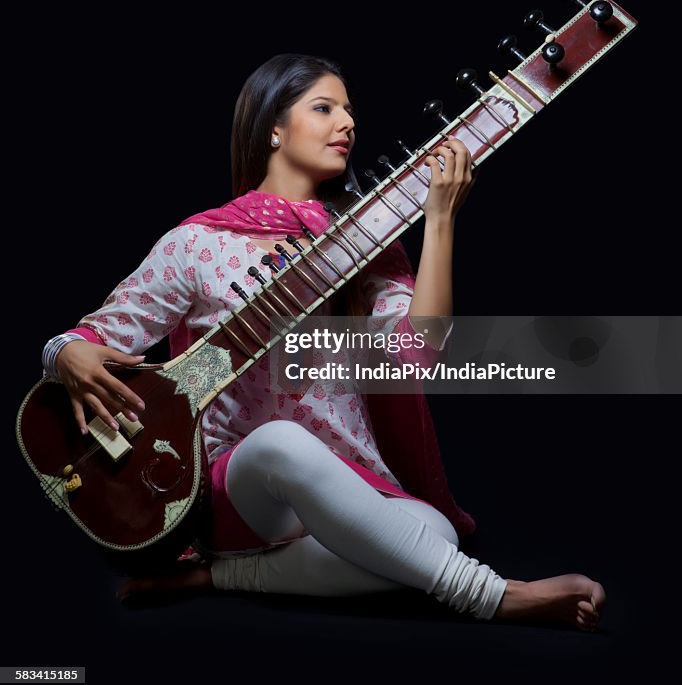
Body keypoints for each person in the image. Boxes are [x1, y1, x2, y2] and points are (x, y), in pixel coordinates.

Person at [42, 53, 605, 630]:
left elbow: (421, 353)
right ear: (274, 128)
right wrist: (63, 353)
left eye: (350, 111)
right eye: (324, 107)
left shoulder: (366, 244)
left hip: (346, 481)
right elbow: (92, 335)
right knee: (280, 442)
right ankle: (496, 596)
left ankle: (220, 576)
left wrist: (439, 221)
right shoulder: (198, 242)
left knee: (432, 533)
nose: (348, 124)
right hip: (243, 490)